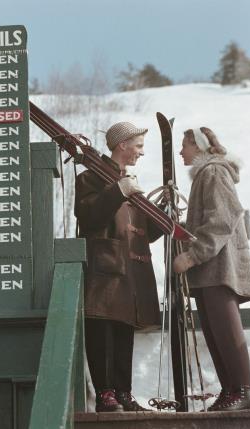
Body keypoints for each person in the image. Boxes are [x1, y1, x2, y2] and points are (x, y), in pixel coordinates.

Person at [74, 121, 162, 412]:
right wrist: (118, 191)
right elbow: (89, 218)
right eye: (138, 145)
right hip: (104, 268)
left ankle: (124, 393)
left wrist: (165, 215)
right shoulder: (90, 178)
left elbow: (144, 232)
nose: (141, 152)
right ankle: (105, 394)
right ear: (122, 145)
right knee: (101, 332)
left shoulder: (130, 182)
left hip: (129, 269)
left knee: (124, 331)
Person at [173, 127, 250, 411]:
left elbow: (224, 219)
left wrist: (192, 256)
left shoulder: (212, 172)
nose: (180, 151)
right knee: (214, 330)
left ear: (197, 146)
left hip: (220, 266)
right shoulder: (205, 174)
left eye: (184, 145)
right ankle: (231, 391)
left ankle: (244, 392)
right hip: (212, 267)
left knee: (224, 328)